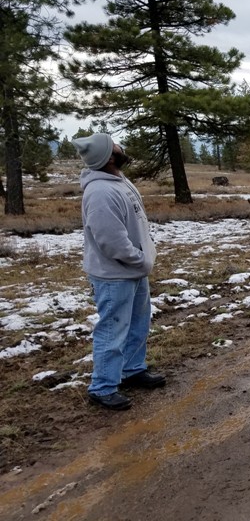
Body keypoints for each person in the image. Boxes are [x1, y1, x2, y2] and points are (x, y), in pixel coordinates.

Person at [73, 133, 166, 411]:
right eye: (115, 146)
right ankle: (102, 386)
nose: (121, 147)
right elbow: (111, 241)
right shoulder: (100, 192)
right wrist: (139, 259)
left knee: (138, 323)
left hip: (134, 270)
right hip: (114, 274)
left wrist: (143, 257)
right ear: (109, 157)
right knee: (113, 330)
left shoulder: (117, 180)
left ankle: (132, 369)